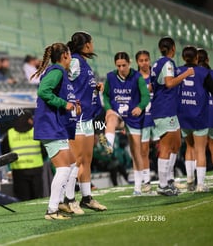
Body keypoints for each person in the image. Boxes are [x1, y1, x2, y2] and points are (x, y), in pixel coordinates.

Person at [31, 42, 80, 220]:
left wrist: (73, 106)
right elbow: (43, 91)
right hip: (50, 126)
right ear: (65, 55)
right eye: (70, 55)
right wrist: (64, 104)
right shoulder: (57, 72)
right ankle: (52, 210)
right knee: (64, 168)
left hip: (55, 126)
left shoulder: (59, 73)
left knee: (72, 163)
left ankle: (60, 202)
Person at [66, 32, 106, 212]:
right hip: (77, 117)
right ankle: (69, 199)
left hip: (88, 118)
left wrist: (95, 89)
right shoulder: (74, 61)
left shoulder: (83, 62)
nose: (93, 45)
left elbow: (81, 86)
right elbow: (64, 81)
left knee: (87, 161)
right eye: (92, 42)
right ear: (87, 45)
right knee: (76, 161)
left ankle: (87, 198)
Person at [150, 36, 194, 196]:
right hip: (164, 109)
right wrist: (187, 73)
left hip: (168, 109)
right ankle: (162, 185)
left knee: (176, 144)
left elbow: (153, 85)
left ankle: (169, 180)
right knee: (167, 147)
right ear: (173, 48)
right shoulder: (167, 63)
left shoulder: (157, 63)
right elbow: (169, 83)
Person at [102, 51, 150, 195]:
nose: (121, 68)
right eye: (118, 66)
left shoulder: (137, 77)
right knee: (110, 119)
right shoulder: (110, 77)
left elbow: (146, 96)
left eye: (124, 65)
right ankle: (107, 145)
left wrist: (140, 107)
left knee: (137, 152)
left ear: (129, 63)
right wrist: (109, 109)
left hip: (133, 117)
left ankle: (137, 187)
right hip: (118, 114)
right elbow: (105, 95)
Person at [177, 46, 213, 192]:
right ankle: (200, 184)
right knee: (200, 149)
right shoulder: (204, 72)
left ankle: (190, 181)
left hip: (183, 115)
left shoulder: (177, 71)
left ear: (183, 57)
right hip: (199, 115)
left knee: (189, 147)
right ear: (196, 58)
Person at [1, 111, 44, 201]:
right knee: (37, 196)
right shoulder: (36, 131)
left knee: (22, 197)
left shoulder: (10, 133)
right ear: (29, 120)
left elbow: (5, 151)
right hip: (36, 168)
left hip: (18, 170)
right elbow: (44, 150)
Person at [136, 50, 157, 192]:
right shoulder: (135, 79)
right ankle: (146, 182)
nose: (144, 63)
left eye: (146, 60)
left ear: (150, 60)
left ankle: (169, 179)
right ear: (137, 62)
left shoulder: (156, 77)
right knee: (144, 151)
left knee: (164, 148)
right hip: (143, 119)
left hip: (157, 117)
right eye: (141, 60)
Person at [197, 48, 213, 186]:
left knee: (198, 147)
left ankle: (197, 182)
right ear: (208, 59)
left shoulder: (194, 74)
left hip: (200, 113)